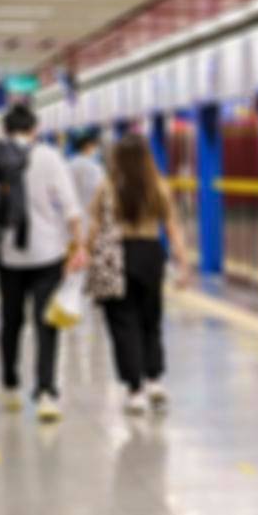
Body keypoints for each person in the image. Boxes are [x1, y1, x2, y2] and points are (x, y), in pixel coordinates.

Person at [0, 104, 85, 421]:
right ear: (35, 129)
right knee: (47, 323)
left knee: (11, 321)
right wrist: (78, 246)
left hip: (10, 256)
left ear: (5, 131)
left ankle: (10, 384)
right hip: (48, 255)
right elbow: (71, 208)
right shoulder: (49, 157)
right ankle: (46, 393)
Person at [87, 133, 189, 415]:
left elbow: (94, 227)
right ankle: (154, 380)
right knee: (150, 319)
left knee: (123, 324)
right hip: (151, 255)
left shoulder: (108, 187)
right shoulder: (158, 186)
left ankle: (135, 390)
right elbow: (172, 228)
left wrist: (83, 255)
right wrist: (183, 266)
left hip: (118, 258)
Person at [66, 130, 106, 216]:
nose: (96, 149)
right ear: (88, 145)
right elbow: (100, 191)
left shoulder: (68, 165)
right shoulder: (95, 167)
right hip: (91, 213)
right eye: (95, 146)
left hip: (74, 214)